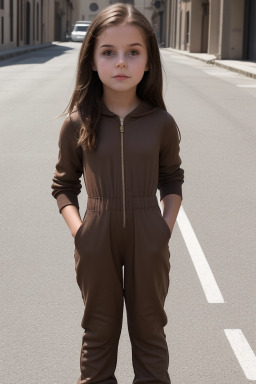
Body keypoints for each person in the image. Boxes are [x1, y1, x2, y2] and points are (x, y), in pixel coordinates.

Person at [51, 3, 184, 384]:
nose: (121, 62)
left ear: (148, 62)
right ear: (92, 60)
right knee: (99, 333)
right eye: (109, 52)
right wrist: (81, 232)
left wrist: (163, 228)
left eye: (133, 52)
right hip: (97, 233)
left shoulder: (160, 122)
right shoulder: (78, 122)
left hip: (148, 235)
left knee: (150, 333)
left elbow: (172, 179)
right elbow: (63, 185)